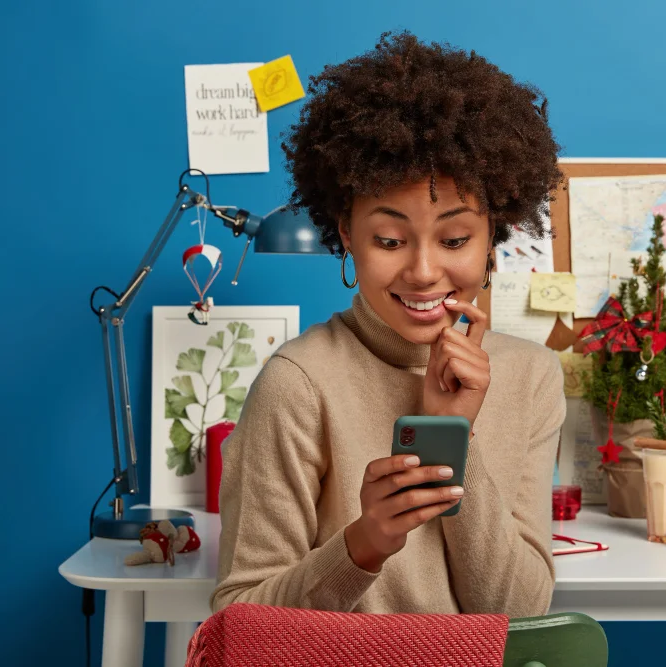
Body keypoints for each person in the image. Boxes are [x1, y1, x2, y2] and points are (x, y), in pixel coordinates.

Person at [210, 31, 566, 619]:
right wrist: (364, 544)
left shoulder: (530, 375)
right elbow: (240, 619)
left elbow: (519, 612)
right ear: (347, 234)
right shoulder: (299, 382)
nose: (424, 272)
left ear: (493, 237)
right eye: (389, 240)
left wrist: (452, 439)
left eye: (454, 239)